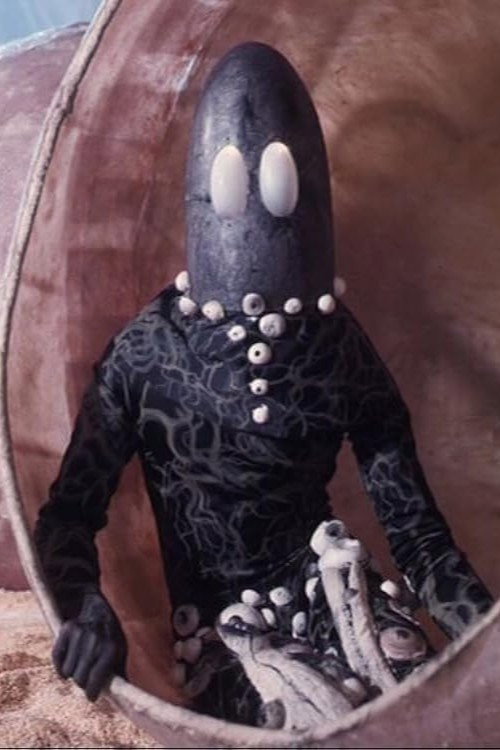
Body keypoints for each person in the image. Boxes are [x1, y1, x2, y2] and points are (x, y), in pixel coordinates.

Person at [34, 42, 493, 730]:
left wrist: (481, 637)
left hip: (336, 583)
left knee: (418, 700)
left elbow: (417, 533)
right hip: (222, 627)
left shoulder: (335, 343)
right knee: (301, 721)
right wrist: (84, 603)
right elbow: (68, 515)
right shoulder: (147, 352)